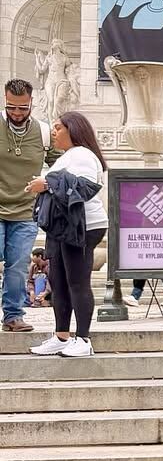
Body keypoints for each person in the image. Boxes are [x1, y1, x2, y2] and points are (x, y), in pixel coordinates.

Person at [27, 112, 107, 359]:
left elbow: (83, 189)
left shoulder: (82, 154)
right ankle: (61, 336)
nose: (54, 132)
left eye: (59, 127)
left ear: (74, 129)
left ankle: (83, 339)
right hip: (63, 227)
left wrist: (47, 183)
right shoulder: (69, 156)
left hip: (82, 227)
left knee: (76, 282)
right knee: (59, 281)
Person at [0, 78, 51, 333]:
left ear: (31, 103)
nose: (17, 113)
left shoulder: (43, 132)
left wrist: (47, 182)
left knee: (18, 265)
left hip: (25, 212)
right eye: (11, 107)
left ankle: (12, 316)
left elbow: (63, 163)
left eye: (22, 108)